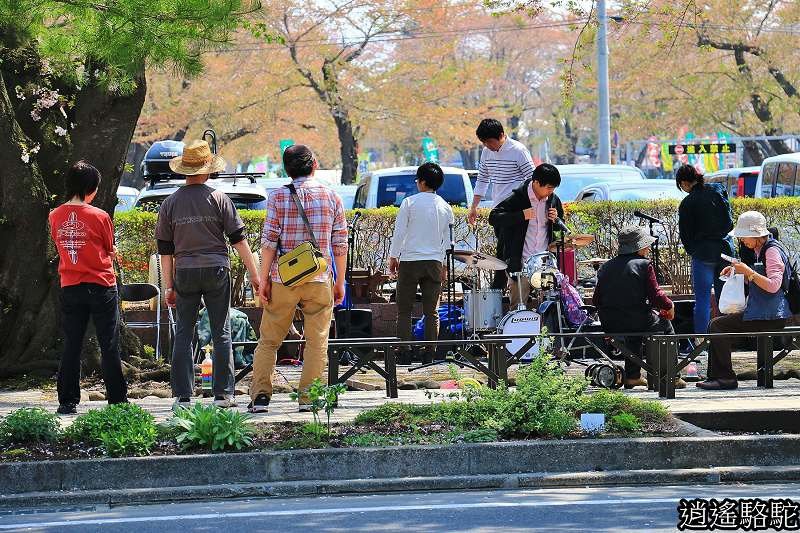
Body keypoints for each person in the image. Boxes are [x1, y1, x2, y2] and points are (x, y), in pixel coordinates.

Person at [156, 140, 261, 410]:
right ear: (207, 170)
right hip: (216, 269)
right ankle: (223, 395)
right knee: (221, 331)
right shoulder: (219, 199)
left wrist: (169, 285)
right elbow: (239, 241)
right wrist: (255, 275)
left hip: (185, 272)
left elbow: (165, 251)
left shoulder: (169, 203)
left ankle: (182, 396)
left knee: (183, 331)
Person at [250, 145, 347, 413]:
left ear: (286, 169)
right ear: (314, 164)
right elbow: (340, 244)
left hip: (284, 279)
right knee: (317, 341)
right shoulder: (331, 196)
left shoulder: (278, 197)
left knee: (269, 339)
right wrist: (339, 282)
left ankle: (260, 397)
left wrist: (264, 278)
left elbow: (268, 241)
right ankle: (309, 398)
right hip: (319, 278)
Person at [48, 160, 128, 414]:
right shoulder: (100, 216)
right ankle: (116, 399)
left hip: (70, 285)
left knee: (72, 344)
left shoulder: (55, 215)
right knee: (109, 344)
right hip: (101, 284)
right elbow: (108, 248)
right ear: (90, 188)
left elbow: (61, 244)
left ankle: (67, 400)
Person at [698, 211, 792, 391]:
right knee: (716, 325)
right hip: (764, 312)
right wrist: (737, 272)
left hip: (771, 316)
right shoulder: (760, 250)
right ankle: (719, 376)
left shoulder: (771, 251)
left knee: (718, 326)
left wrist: (748, 272)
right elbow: (759, 281)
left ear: (756, 234)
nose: (741, 241)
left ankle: (724, 378)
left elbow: (773, 285)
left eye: (743, 236)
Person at [593, 225, 684, 389]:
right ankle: (671, 376)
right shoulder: (643, 265)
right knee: (665, 325)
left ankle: (633, 376)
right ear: (639, 247)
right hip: (638, 320)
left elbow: (596, 299)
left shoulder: (606, 267)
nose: (648, 248)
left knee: (634, 330)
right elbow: (656, 295)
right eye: (645, 244)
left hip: (611, 323)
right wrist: (669, 306)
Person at [388, 162, 454, 364]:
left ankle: (404, 351)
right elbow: (448, 240)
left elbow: (399, 233)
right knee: (432, 311)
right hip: (434, 262)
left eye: (418, 180)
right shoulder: (445, 206)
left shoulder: (409, 203)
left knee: (404, 310)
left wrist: (393, 256)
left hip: (410, 260)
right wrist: (444, 265)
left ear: (423, 182)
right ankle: (429, 353)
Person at [468, 119, 534, 290]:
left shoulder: (518, 151)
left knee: (509, 250)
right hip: (498, 211)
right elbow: (482, 179)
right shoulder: (486, 153)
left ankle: (505, 286)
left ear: (501, 135)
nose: (488, 146)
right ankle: (507, 286)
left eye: (490, 141)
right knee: (504, 249)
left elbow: (532, 179)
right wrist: (474, 206)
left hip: (517, 209)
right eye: (484, 142)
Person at [488, 163, 564, 309]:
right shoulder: (517, 198)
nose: (550, 192)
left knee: (548, 306)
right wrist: (521, 215)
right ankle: (519, 332)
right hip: (520, 262)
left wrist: (556, 220)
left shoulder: (553, 200)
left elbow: (559, 231)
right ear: (536, 182)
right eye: (548, 187)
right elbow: (494, 217)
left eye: (553, 188)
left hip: (544, 263)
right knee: (518, 306)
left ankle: (545, 331)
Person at [676, 164, 734, 337]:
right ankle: (727, 338)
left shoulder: (687, 203)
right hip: (724, 250)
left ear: (685, 183)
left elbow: (685, 235)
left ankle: (701, 341)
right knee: (726, 298)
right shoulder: (717, 190)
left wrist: (694, 250)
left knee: (702, 300)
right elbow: (729, 222)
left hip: (702, 253)